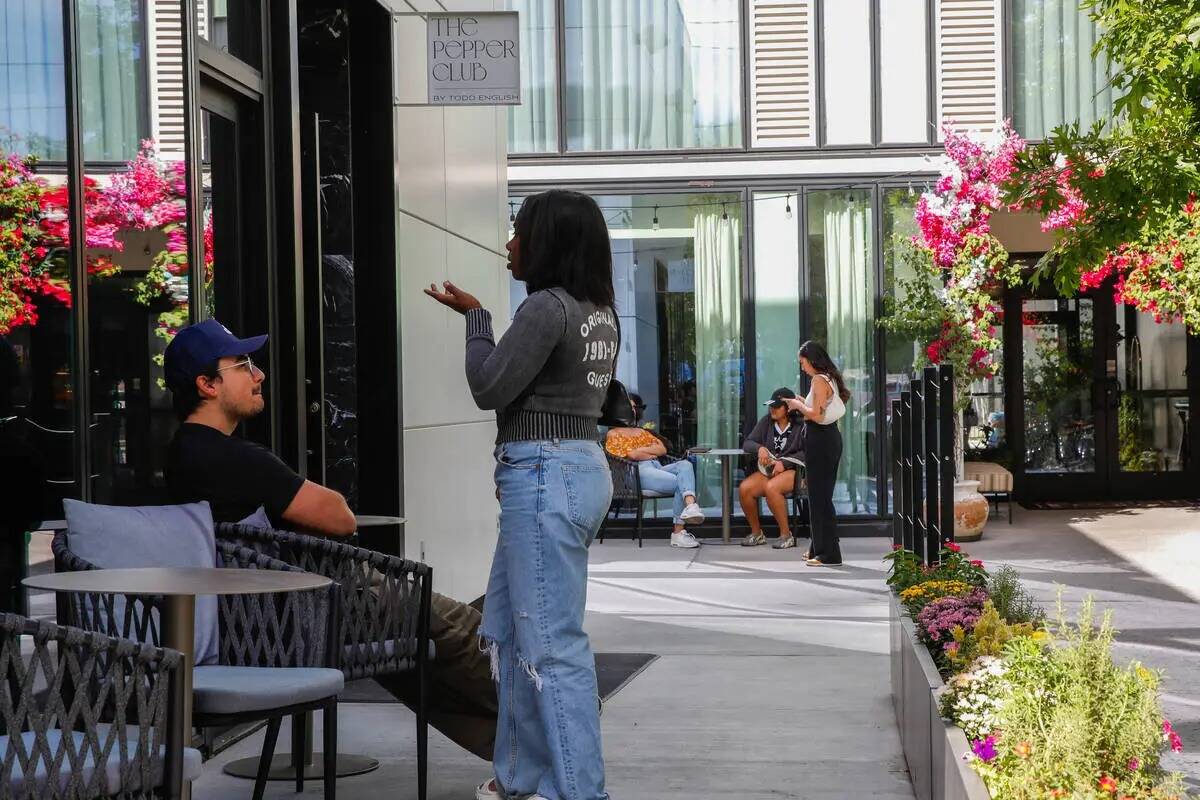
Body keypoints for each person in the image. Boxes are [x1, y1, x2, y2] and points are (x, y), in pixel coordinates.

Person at [425, 189, 616, 800]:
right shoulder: (598, 310)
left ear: (547, 240)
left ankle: (579, 792)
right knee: (506, 633)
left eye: (518, 231)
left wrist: (478, 321)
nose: (509, 243)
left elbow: (489, 385)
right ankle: (517, 778)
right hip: (575, 467)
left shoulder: (546, 307)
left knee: (552, 646)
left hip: (542, 475)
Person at [162, 319, 356, 536]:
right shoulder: (234, 460)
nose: (259, 375)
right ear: (207, 385)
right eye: (243, 365)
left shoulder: (180, 452)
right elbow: (341, 518)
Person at [604, 393, 704, 548]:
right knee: (682, 483)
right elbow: (632, 455)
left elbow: (662, 449)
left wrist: (642, 452)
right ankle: (679, 532)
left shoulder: (643, 432)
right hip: (636, 473)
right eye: (627, 406)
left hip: (656, 467)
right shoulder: (614, 433)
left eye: (633, 407)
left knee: (685, 465)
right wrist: (649, 451)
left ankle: (690, 507)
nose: (631, 410)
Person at [785, 341, 850, 566]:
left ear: (811, 360)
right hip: (826, 439)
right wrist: (802, 402)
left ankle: (829, 554)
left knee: (820, 498)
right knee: (819, 496)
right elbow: (820, 408)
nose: (802, 367)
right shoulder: (827, 378)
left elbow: (815, 414)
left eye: (802, 362)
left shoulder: (818, 379)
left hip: (821, 440)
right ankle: (818, 547)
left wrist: (797, 404)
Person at [738, 387, 805, 549]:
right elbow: (748, 443)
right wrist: (760, 448)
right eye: (771, 406)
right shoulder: (767, 421)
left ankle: (786, 535)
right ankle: (757, 533)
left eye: (776, 406)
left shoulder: (802, 424)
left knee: (771, 488)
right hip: (771, 471)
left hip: (796, 471)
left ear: (788, 408)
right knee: (745, 488)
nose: (772, 409)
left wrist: (786, 463)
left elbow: (808, 452)